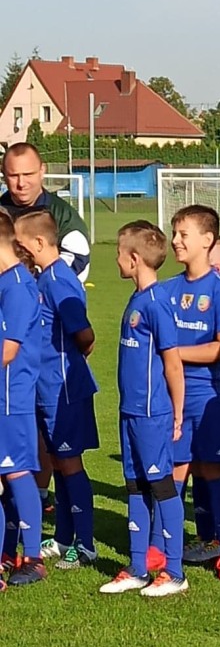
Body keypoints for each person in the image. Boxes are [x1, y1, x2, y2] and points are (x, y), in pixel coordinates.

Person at [100, 221, 187, 596]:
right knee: (135, 485)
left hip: (153, 413)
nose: (116, 260)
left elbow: (173, 363)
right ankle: (137, 567)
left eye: (119, 253)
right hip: (130, 411)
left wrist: (178, 411)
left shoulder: (156, 303)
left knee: (161, 485)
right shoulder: (136, 299)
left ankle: (175, 572)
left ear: (134, 259)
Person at [161, 204, 220, 580]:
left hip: (212, 394)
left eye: (183, 234)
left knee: (214, 468)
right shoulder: (167, 290)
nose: (175, 241)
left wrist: (174, 353)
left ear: (207, 240)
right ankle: (165, 547)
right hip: (172, 395)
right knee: (174, 469)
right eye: (174, 234)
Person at [13, 210, 98, 570]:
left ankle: (86, 544)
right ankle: (64, 537)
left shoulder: (59, 279)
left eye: (20, 243)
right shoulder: (43, 278)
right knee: (60, 464)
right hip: (46, 388)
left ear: (38, 242)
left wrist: (69, 364)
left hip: (64, 390)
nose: (18, 249)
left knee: (70, 462)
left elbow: (85, 334)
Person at [0, 210, 45, 586]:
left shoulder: (17, 286)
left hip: (11, 396)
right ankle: (5, 552)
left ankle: (32, 557)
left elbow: (8, 351)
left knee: (16, 471)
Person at [0, 142, 91, 281]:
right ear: (4, 175)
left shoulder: (63, 215)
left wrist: (31, 283)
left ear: (42, 171)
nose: (21, 183)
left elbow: (79, 260)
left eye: (28, 174)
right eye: (14, 175)